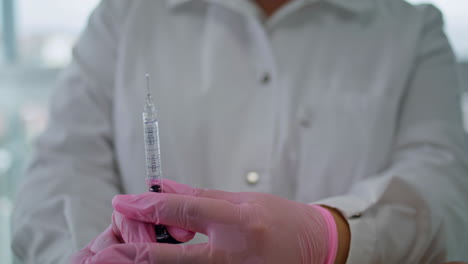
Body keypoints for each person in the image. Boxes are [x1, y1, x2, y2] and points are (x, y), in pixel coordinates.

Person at [11, 0, 468, 263]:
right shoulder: (127, 14)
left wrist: (331, 235)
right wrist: (89, 254)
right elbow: (59, 175)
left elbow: (443, 189)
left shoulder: (409, 29)